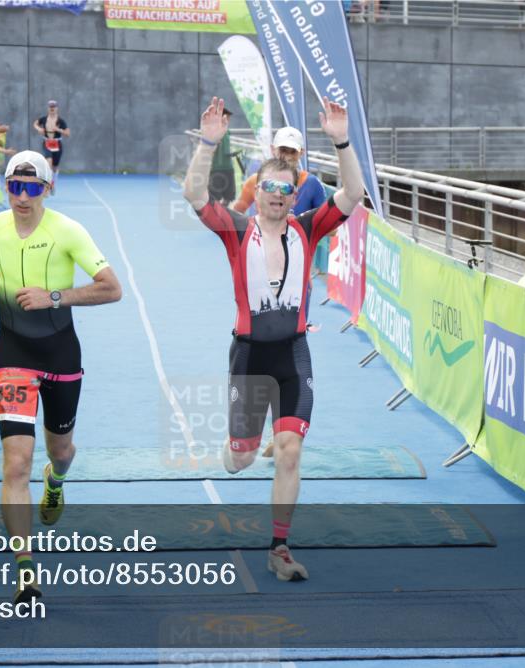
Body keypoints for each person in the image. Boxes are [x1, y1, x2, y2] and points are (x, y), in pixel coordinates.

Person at [182, 96, 364, 582]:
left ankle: (279, 548)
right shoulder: (236, 231)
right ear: (256, 191)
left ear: (294, 193)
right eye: (269, 188)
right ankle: (237, 443)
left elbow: (353, 192)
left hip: (293, 354)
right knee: (241, 459)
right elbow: (195, 194)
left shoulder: (309, 227)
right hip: (248, 357)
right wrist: (208, 144)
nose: (278, 195)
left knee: (289, 450)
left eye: (286, 189)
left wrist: (342, 140)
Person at [0, 151, 121, 603]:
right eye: (15, 185)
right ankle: (25, 568)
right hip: (12, 353)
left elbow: (112, 288)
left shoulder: (67, 230)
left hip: (59, 353)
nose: (21, 195)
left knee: (60, 449)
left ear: (47, 189)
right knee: (15, 462)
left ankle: (56, 481)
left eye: (32, 187)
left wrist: (56, 296)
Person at [232, 127, 327, 217]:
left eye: (293, 151)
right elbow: (235, 215)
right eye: (283, 150)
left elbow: (329, 227)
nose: (288, 156)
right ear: (273, 149)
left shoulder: (312, 183)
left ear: (301, 152)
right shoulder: (255, 180)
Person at [209, 107, 236, 204]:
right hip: (216, 169)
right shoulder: (212, 131)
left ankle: (222, 215)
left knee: (229, 196)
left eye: (229, 118)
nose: (228, 120)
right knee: (215, 196)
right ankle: (216, 215)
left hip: (228, 168)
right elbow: (209, 148)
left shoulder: (227, 131)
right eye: (227, 117)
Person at [33, 101, 69, 174]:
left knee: (55, 166)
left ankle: (54, 181)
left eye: (53, 107)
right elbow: (35, 123)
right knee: (48, 162)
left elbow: (68, 133)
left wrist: (58, 129)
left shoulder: (61, 121)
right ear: (48, 108)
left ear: (57, 108)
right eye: (50, 107)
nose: (52, 108)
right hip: (47, 142)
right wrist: (39, 129)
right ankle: (49, 182)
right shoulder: (43, 119)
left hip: (57, 143)